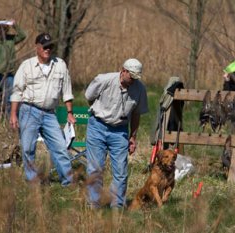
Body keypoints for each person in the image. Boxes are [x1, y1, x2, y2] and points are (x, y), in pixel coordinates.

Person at [9, 33, 76, 186]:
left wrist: (70, 113)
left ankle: (68, 182)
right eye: (44, 46)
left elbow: (67, 90)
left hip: (50, 114)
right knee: (27, 148)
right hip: (28, 110)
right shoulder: (26, 66)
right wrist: (13, 114)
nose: (48, 49)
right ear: (37, 47)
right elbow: (17, 91)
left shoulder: (60, 65)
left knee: (60, 147)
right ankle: (33, 181)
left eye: (50, 46)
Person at [85, 58, 148, 208]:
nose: (133, 80)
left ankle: (117, 207)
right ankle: (94, 205)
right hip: (97, 127)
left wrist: (133, 136)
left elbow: (137, 114)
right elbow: (89, 97)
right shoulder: (104, 80)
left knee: (121, 171)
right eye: (131, 76)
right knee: (95, 168)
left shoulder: (140, 89)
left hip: (120, 131)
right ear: (123, 70)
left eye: (136, 77)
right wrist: (100, 111)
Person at [0, 19, 26, 117]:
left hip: (9, 73)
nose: (2, 32)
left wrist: (14, 25)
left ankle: (10, 119)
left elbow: (23, 35)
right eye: (0, 29)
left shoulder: (11, 39)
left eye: (4, 29)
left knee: (10, 98)